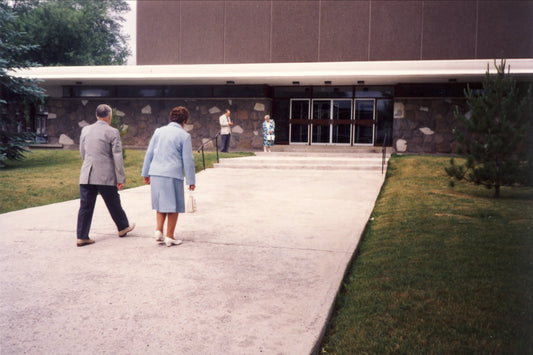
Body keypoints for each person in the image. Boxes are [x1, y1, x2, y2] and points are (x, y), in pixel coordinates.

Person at [76, 104, 135, 247]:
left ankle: (82, 236)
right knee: (113, 202)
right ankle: (122, 227)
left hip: (87, 174)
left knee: (85, 206)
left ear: (97, 116)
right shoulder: (113, 132)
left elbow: (82, 151)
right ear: (109, 116)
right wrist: (120, 178)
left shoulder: (86, 129)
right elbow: (117, 157)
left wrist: (88, 163)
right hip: (105, 174)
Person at [142, 106, 196, 247]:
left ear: (171, 118)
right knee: (174, 206)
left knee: (161, 203)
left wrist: (145, 173)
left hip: (156, 172)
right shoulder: (184, 136)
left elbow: (149, 153)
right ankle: (170, 236)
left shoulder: (158, 131)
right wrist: (191, 180)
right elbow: (188, 160)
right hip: (172, 174)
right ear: (184, 121)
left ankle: (159, 230)